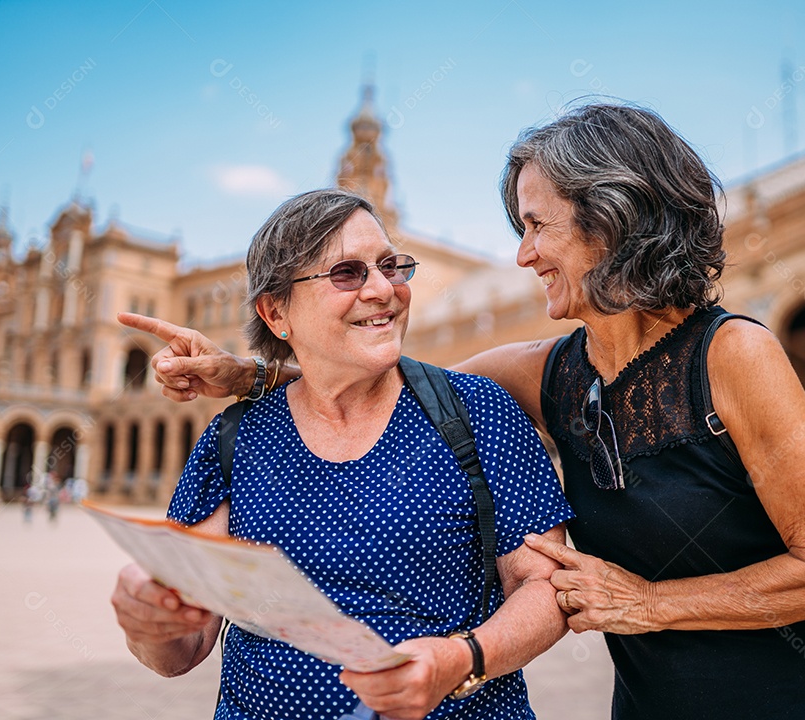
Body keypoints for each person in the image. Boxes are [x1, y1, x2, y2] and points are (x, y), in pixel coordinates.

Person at [126, 104, 805, 719]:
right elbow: (387, 388)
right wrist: (253, 371)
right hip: (660, 704)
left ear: (611, 222)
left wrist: (649, 603)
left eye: (536, 226)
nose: (523, 254)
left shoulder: (732, 355)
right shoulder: (546, 372)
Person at [112, 189, 574, 720]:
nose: (382, 289)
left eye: (390, 267)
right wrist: (149, 625)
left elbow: (545, 586)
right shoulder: (235, 439)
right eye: (347, 273)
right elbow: (182, 649)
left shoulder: (477, 410)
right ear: (276, 312)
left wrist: (463, 658)